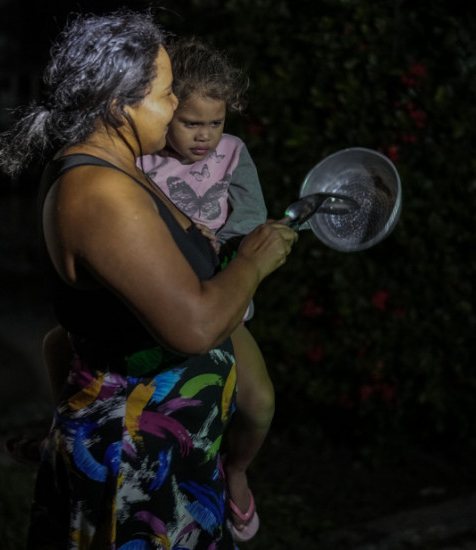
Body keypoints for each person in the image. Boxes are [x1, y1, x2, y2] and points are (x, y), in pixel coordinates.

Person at [0, 9, 297, 550]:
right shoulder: (100, 194)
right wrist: (251, 261)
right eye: (165, 95)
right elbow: (195, 326)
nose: (178, 106)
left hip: (171, 448)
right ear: (118, 105)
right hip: (138, 462)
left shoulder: (120, 168)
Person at [139, 36, 273, 543]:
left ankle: (236, 470)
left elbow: (253, 218)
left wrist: (233, 243)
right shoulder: (145, 160)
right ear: (168, 111)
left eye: (214, 123)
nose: (204, 137)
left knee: (259, 403)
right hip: (163, 308)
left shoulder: (234, 153)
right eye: (192, 123)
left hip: (225, 309)